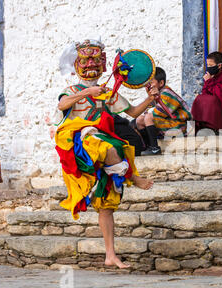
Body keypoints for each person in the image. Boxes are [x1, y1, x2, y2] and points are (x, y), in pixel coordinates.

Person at [56, 39, 156, 269]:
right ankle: (132, 177)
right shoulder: (71, 91)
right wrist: (87, 93)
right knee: (106, 146)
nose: (90, 64)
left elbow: (131, 112)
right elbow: (62, 106)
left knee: (106, 204)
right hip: (80, 143)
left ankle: (110, 255)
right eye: (85, 60)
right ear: (76, 63)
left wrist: (150, 99)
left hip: (104, 145)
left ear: (103, 64)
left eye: (95, 60)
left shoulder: (107, 93)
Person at [133, 67, 192, 155]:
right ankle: (148, 145)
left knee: (148, 117)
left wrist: (155, 99)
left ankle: (155, 148)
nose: (149, 85)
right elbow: (148, 110)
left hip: (177, 126)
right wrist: (150, 97)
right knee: (139, 119)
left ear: (161, 83)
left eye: (151, 82)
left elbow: (157, 113)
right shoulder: (156, 94)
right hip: (166, 124)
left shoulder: (167, 93)